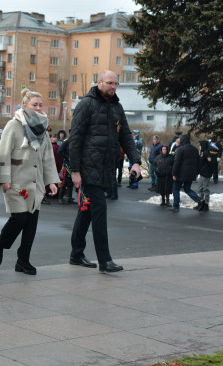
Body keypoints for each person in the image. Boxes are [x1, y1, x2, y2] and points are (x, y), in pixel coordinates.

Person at [69, 70, 141, 273]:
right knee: (99, 210)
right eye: (109, 83)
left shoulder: (116, 107)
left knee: (87, 212)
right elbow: (75, 139)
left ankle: (76, 254)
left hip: (106, 169)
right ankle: (105, 260)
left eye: (116, 83)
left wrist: (135, 161)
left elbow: (126, 135)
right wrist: (75, 171)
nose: (113, 87)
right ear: (99, 82)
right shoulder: (86, 104)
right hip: (87, 168)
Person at [0, 88, 59, 275]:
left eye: (40, 105)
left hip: (35, 183)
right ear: (25, 105)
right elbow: (3, 153)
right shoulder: (14, 125)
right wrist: (3, 179)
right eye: (34, 105)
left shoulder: (43, 128)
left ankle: (23, 261)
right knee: (19, 218)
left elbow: (47, 157)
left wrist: (51, 181)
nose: (37, 108)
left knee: (31, 224)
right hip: (15, 181)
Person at [170, 134, 201, 213]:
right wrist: (197, 172)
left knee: (175, 188)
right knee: (187, 189)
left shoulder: (180, 149)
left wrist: (174, 174)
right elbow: (198, 162)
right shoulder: (194, 149)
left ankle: (176, 206)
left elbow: (176, 163)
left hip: (180, 173)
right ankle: (199, 201)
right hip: (191, 173)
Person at [196, 140, 216, 212]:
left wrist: (212, 172)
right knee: (200, 189)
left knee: (205, 189)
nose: (199, 147)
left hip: (206, 174)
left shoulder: (207, 153)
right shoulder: (201, 153)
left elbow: (210, 163)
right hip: (201, 173)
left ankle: (206, 204)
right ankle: (200, 203)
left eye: (200, 145)